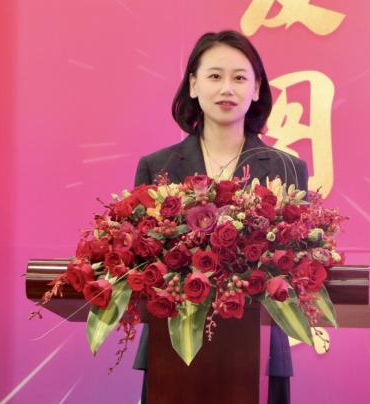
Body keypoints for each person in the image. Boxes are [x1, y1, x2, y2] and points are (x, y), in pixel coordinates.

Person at [132, 30, 308, 404]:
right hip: (170, 352)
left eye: (239, 78)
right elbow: (142, 262)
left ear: (256, 89)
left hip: (261, 355)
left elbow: (296, 266)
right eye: (214, 76)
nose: (227, 88)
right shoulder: (157, 167)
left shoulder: (288, 170)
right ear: (193, 85)